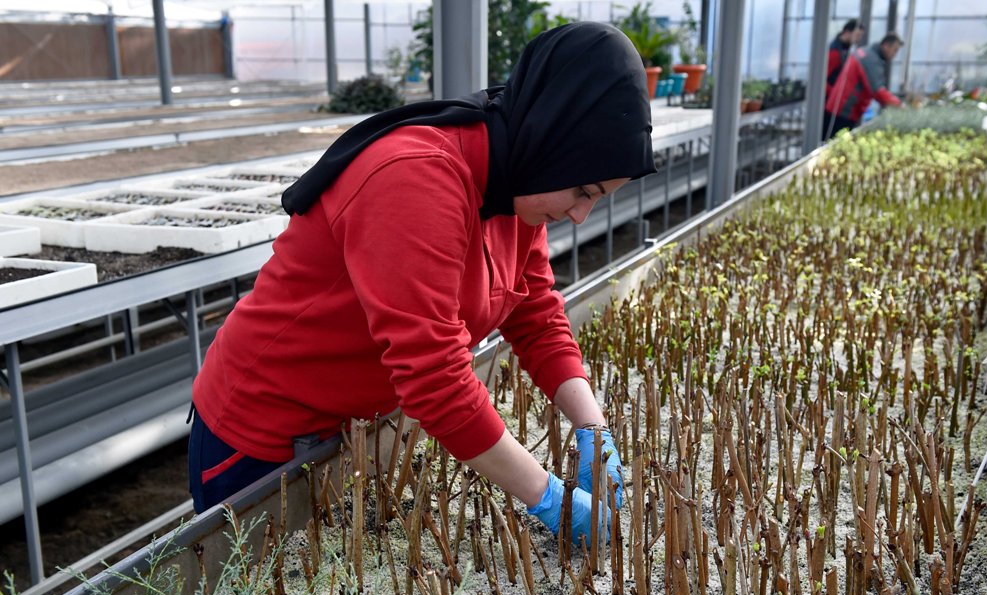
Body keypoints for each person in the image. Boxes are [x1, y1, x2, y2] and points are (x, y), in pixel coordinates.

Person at [187, 22, 655, 548]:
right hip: (262, 438)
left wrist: (592, 431)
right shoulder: (416, 179)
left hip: (348, 429)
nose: (580, 214)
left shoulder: (519, 188)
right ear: (553, 141)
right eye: (583, 190)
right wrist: (550, 498)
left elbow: (537, 316)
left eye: (599, 198)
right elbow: (436, 379)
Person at [823, 31, 903, 140]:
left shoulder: (867, 53)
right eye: (894, 50)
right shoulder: (871, 59)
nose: (895, 55)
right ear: (885, 46)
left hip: (840, 107)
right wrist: (899, 105)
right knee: (834, 145)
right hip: (843, 111)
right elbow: (878, 90)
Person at [826, 19, 864, 99]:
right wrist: (834, 93)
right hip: (830, 100)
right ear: (847, 32)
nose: (859, 39)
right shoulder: (835, 53)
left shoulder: (845, 50)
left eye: (860, 36)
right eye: (857, 35)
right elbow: (821, 80)